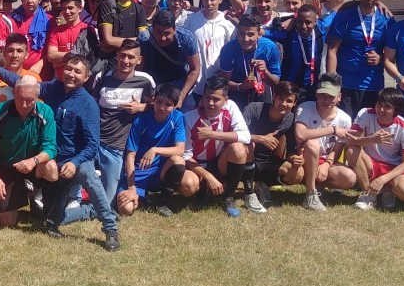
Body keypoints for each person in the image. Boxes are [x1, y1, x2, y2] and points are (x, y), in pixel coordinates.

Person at [0, 55, 120, 250]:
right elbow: (22, 83)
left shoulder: (88, 105)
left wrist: (75, 163)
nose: (71, 74)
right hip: (50, 160)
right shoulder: (53, 88)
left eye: (77, 71)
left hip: (76, 159)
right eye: (69, 68)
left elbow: (92, 145)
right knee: (51, 220)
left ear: (86, 77)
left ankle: (110, 227)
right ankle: (87, 212)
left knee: (90, 177)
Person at [0, 75, 58, 228]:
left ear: (37, 97)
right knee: (7, 222)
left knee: (51, 168)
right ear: (13, 93)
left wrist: (33, 161)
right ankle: (20, 193)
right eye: (20, 99)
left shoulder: (46, 112)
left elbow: (50, 148)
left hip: (34, 166)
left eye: (29, 100)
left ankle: (42, 202)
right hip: (7, 168)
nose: (24, 104)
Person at [91, 40, 155, 201]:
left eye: (131, 57)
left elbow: (158, 107)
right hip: (94, 141)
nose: (125, 61)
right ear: (117, 55)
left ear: (139, 60)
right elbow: (91, 107)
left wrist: (142, 107)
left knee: (108, 199)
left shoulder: (146, 81)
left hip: (118, 146)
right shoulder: (102, 77)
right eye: (123, 55)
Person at [182, 76, 255, 216]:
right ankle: (202, 191)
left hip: (220, 163)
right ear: (202, 97)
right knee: (187, 187)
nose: (210, 103)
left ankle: (228, 197)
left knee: (239, 148)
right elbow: (185, 156)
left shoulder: (230, 107)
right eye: (207, 98)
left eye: (216, 99)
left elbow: (246, 136)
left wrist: (213, 135)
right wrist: (208, 177)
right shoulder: (189, 117)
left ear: (225, 100)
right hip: (198, 166)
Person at [118, 83, 190, 217]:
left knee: (178, 161)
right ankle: (142, 196)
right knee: (126, 209)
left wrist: (155, 150)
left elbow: (180, 150)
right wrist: (131, 187)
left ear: (175, 106)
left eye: (168, 104)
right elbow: (130, 155)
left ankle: (162, 202)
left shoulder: (178, 117)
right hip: (139, 170)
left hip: (160, 171)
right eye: (159, 102)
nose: (162, 108)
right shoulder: (141, 119)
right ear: (153, 101)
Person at [326, 0, 393, 118]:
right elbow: (332, 51)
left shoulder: (386, 18)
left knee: (370, 126)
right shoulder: (344, 16)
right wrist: (333, 84)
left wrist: (380, 58)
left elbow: (393, 54)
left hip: (373, 85)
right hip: (346, 84)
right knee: (346, 126)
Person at [294, 73, 358, 212]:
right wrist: (332, 130)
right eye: (322, 95)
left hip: (325, 160)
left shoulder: (344, 119)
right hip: (304, 158)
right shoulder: (305, 108)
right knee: (313, 144)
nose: (326, 100)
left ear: (339, 97)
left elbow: (337, 149)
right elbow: (300, 134)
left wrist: (327, 165)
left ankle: (318, 186)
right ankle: (311, 194)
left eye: (331, 96)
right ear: (316, 94)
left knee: (349, 178)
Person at [347, 88, 404, 210]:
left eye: (387, 107)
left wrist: (383, 179)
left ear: (396, 109)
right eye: (379, 104)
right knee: (351, 150)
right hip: (371, 163)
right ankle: (368, 193)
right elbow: (350, 141)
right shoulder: (365, 113)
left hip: (393, 166)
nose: (381, 109)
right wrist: (372, 139)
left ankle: (388, 189)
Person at [241, 81, 301, 206]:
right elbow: (236, 134)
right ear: (274, 96)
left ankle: (262, 183)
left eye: (289, 101)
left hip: (266, 161)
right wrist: (261, 139)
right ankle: (247, 187)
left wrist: (295, 158)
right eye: (281, 98)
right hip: (244, 159)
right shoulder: (254, 108)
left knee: (298, 173)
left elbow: (290, 150)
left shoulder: (290, 119)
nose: (283, 104)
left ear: (294, 103)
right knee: (248, 145)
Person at [183, 0, 235, 107]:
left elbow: (232, 51)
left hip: (218, 84)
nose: (209, 3)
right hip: (195, 84)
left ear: (220, 0)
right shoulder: (190, 20)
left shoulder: (227, 23)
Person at [217, 14, 281, 107]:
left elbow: (276, 83)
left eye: (250, 34)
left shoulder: (269, 47)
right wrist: (242, 86)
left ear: (259, 34)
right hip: (237, 89)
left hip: (262, 89)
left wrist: (265, 72)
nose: (245, 39)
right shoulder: (228, 49)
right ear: (237, 33)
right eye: (241, 33)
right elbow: (223, 82)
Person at [140, 10, 201, 108]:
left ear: (174, 29)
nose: (162, 38)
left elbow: (195, 69)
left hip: (179, 84)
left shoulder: (186, 38)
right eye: (158, 32)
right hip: (153, 85)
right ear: (152, 28)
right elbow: (138, 70)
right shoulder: (144, 39)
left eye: (167, 33)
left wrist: (181, 97)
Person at [266, 4, 325, 104]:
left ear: (315, 21)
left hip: (312, 86)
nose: (303, 26)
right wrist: (292, 18)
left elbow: (336, 13)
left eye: (308, 22)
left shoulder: (322, 32)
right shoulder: (288, 34)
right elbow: (262, 32)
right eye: (300, 22)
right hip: (289, 86)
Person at [94, 0, 147, 73]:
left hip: (131, 70)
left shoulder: (139, 9)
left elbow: (144, 42)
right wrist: (136, 41)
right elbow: (108, 40)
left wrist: (114, 44)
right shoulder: (107, 4)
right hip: (109, 68)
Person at [45, 0, 88, 81]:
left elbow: (87, 59)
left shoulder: (88, 30)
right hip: (58, 81)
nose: (67, 12)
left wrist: (61, 61)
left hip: (79, 82)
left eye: (70, 8)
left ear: (80, 8)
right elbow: (51, 55)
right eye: (64, 8)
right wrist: (75, 55)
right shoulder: (56, 31)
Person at [11, 0, 50, 74]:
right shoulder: (12, 19)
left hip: (40, 73)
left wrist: (40, 64)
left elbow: (52, 50)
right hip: (15, 73)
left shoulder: (49, 21)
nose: (29, 1)